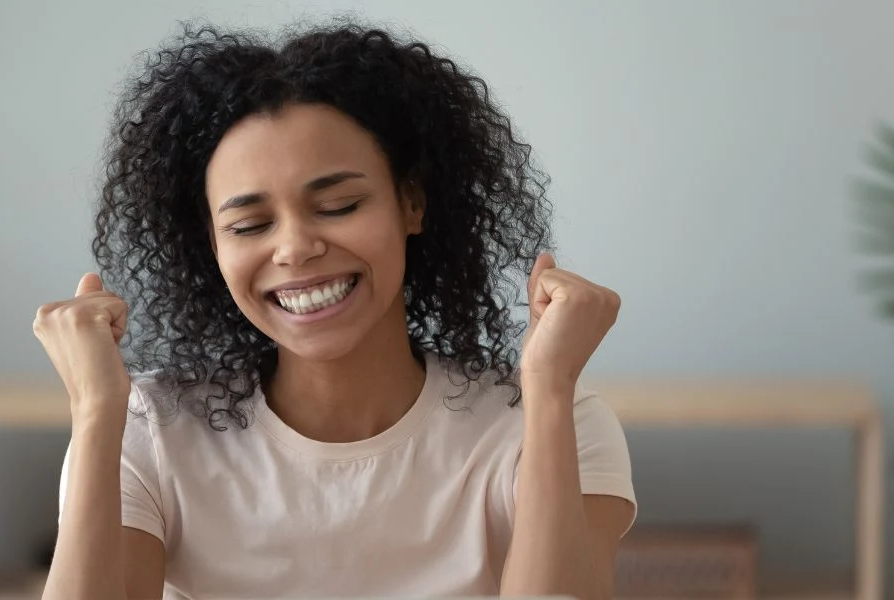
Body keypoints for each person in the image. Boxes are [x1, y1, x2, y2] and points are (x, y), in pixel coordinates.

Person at [34, 20, 636, 600]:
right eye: (249, 224)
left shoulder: (552, 422)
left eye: (339, 205)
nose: (295, 247)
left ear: (412, 204)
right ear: (212, 246)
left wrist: (550, 390)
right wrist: (95, 412)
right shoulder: (152, 430)